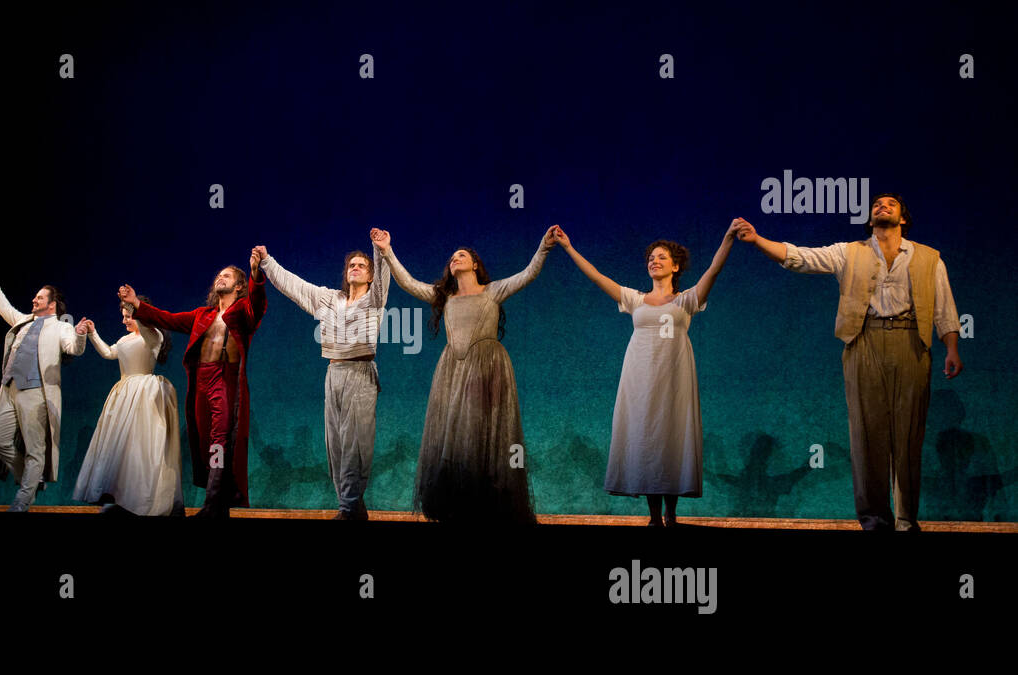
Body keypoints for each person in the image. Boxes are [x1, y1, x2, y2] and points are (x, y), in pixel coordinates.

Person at [733, 194, 963, 531]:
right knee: (867, 435)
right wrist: (757, 240)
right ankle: (874, 520)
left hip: (911, 342)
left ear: (903, 219)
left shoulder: (929, 258)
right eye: (877, 205)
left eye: (891, 204)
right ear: (870, 220)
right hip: (864, 341)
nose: (882, 206)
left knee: (908, 434)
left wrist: (952, 348)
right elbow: (801, 257)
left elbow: (945, 309)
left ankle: (905, 519)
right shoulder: (848, 252)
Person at [371, 226, 558, 524]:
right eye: (451, 257)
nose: (454, 259)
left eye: (461, 255)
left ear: (474, 264)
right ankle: (457, 505)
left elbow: (528, 274)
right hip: (453, 370)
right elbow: (407, 283)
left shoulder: (493, 290)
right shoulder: (445, 296)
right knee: (454, 436)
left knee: (486, 433)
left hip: (487, 367)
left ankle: (490, 504)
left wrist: (544, 247)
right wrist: (387, 250)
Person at [556, 224, 737, 527]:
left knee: (672, 437)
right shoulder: (635, 299)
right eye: (651, 258)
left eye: (662, 257)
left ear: (675, 266)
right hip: (640, 377)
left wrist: (728, 239)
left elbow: (714, 271)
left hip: (675, 376)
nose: (654, 261)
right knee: (647, 438)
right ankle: (654, 517)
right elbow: (597, 277)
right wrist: (568, 247)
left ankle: (671, 514)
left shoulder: (687, 299)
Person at [119, 251, 266, 519]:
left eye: (227, 275)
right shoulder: (203, 315)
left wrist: (256, 272)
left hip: (225, 379)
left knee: (220, 442)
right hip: (202, 381)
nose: (220, 277)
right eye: (219, 275)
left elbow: (257, 300)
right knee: (206, 441)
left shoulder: (243, 313)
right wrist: (137, 305)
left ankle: (212, 504)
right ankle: (219, 507)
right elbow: (168, 319)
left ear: (238, 286)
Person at [252, 242, 391, 520]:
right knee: (336, 445)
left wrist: (380, 250)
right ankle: (352, 506)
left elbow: (385, 276)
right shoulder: (329, 299)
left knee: (356, 445)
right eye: (351, 265)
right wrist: (267, 261)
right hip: (333, 373)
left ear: (370, 276)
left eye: (361, 266)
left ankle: (348, 508)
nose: (355, 268)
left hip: (360, 373)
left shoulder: (374, 299)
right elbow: (295, 285)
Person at [0, 267, 89, 512]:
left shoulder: (61, 327)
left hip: (36, 392)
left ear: (51, 305)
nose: (33, 300)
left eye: (39, 297)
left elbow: (73, 348)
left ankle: (22, 501)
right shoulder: (24, 320)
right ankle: (30, 479)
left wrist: (80, 334)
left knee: (36, 449)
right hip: (9, 388)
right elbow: (5, 307)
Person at [72, 297, 184, 516]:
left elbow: (149, 337)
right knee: (120, 447)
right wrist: (93, 333)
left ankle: (142, 497)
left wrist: (138, 309)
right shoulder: (124, 339)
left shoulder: (154, 335)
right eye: (122, 315)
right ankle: (119, 495)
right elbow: (109, 353)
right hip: (123, 393)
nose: (124, 320)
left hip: (144, 392)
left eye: (128, 316)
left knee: (141, 446)